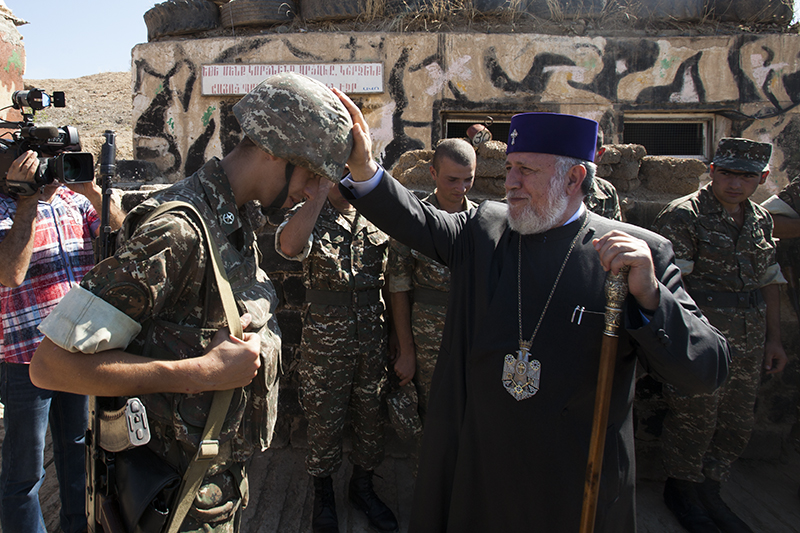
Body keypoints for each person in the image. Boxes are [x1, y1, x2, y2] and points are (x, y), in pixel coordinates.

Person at [333, 98, 730, 532]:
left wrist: (651, 296)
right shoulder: (486, 229)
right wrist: (364, 167)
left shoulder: (636, 254)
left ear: (574, 178)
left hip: (573, 483)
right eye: (509, 168)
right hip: (481, 472)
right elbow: (416, 220)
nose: (510, 183)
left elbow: (706, 369)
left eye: (526, 170)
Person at [28, 72, 353, 532]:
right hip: (168, 501)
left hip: (209, 491)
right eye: (311, 173)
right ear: (273, 150)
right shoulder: (178, 232)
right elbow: (50, 365)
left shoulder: (235, 218)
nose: (313, 189)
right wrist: (198, 373)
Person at [653, 137, 788, 533]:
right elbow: (672, 288)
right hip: (702, 336)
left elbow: (769, 281)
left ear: (762, 177)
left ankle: (711, 489)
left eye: (746, 176)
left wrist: (774, 340)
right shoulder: (684, 215)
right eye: (727, 173)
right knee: (693, 417)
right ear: (712, 171)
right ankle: (682, 491)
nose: (735, 183)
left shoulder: (760, 219)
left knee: (736, 421)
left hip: (749, 337)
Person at [0, 150, 124, 533]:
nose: (52, 170)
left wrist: (92, 191)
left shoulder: (75, 202)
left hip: (75, 350)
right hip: (25, 357)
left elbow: (125, 237)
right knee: (25, 472)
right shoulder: (6, 208)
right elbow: (10, 274)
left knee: (78, 457)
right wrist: (26, 204)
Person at [276, 176, 397, 533]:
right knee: (324, 419)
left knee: (371, 416)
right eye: (338, 169)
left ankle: (362, 487)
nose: (346, 177)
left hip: (372, 337)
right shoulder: (310, 213)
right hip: (325, 343)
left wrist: (396, 336)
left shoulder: (377, 213)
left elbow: (393, 278)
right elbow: (288, 246)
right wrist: (317, 197)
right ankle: (323, 493)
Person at [389, 138, 477, 417]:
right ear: (433, 173)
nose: (461, 188)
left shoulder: (482, 223)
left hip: (470, 340)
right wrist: (407, 351)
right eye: (452, 179)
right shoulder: (414, 222)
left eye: (468, 179)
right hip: (427, 341)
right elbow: (398, 288)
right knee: (430, 417)